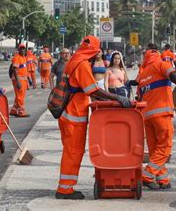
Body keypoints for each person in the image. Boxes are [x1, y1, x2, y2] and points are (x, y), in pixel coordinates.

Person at [56, 36, 131, 200]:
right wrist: (117, 98)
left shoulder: (74, 60)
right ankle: (65, 189)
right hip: (74, 115)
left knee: (70, 151)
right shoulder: (82, 64)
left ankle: (65, 186)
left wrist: (107, 99)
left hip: (68, 114)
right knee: (73, 152)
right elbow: (93, 90)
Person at [136, 49, 176, 190]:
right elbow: (172, 75)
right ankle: (147, 175)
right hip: (161, 114)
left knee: (155, 150)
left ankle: (163, 178)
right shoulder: (161, 65)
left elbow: (139, 97)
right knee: (165, 147)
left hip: (147, 117)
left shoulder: (143, 75)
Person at [11, 44, 30, 117]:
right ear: (18, 50)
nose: (22, 50)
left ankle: (14, 110)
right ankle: (21, 112)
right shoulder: (17, 58)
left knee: (19, 95)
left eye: (24, 49)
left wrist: (27, 80)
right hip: (18, 80)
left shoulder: (23, 57)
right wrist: (18, 82)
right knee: (20, 96)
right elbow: (15, 70)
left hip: (23, 80)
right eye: (21, 49)